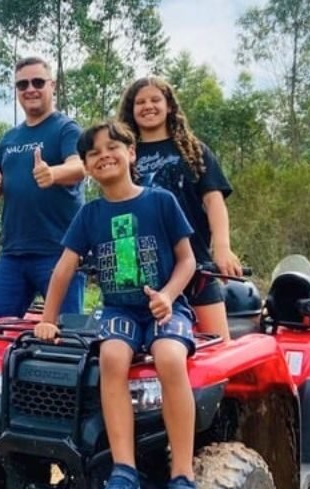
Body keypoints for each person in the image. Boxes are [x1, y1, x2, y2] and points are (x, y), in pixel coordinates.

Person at [34, 121, 198, 489]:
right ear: (86, 166)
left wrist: (168, 295)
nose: (104, 156)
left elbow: (187, 260)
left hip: (166, 307)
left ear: (131, 153)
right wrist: (48, 319)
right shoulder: (89, 214)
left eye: (113, 147)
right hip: (118, 310)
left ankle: (182, 472)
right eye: (93, 153)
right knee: (111, 358)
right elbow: (63, 269)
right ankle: (124, 469)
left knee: (170, 358)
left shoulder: (160, 201)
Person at [117, 77, 241, 341]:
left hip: (195, 264)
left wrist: (222, 247)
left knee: (219, 346)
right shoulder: (123, 155)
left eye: (155, 100)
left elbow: (214, 201)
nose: (148, 106)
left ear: (170, 106)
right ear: (131, 109)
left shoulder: (194, 150)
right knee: (143, 351)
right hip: (141, 271)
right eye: (140, 102)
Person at [0, 56, 86, 322]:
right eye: (22, 84)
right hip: (13, 254)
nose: (30, 89)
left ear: (52, 86)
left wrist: (53, 173)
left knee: (67, 333)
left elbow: (80, 166)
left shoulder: (66, 129)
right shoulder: (9, 139)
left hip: (60, 253)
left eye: (38, 82)